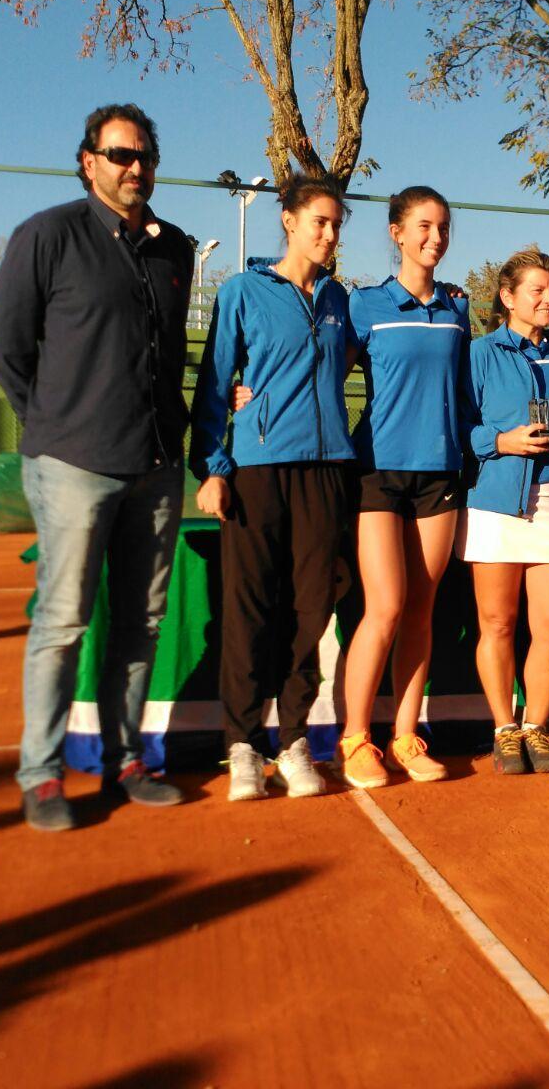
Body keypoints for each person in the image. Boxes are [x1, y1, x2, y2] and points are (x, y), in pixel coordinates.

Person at [0, 103, 192, 831]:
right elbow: (8, 347)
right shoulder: (47, 235)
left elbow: (166, 359)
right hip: (72, 462)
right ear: (88, 160)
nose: (134, 168)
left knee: (141, 622)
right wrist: (54, 425)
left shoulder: (177, 250)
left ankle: (126, 758)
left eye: (144, 157)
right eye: (119, 155)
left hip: (158, 465)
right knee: (64, 621)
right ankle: (41, 775)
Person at [190, 176, 355, 802]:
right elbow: (214, 383)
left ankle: (291, 741)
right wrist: (213, 465)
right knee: (250, 608)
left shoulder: (341, 300)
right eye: (319, 221)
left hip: (327, 469)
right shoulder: (243, 291)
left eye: (337, 224)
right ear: (287, 221)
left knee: (310, 611)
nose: (329, 234)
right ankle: (241, 744)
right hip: (258, 470)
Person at [337, 186, 472, 789]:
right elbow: (319, 370)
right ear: (396, 232)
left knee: (421, 610)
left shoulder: (458, 309)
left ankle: (405, 735)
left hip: (440, 474)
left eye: (442, 227)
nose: (434, 238)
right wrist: (252, 394)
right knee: (385, 606)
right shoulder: (365, 306)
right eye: (423, 226)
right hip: (378, 474)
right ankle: (355, 738)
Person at [459, 249, 549, 774]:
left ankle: (536, 727)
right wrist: (501, 441)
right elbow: (460, 428)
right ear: (507, 297)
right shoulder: (480, 353)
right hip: (497, 503)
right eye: (536, 290)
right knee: (498, 623)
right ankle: (504, 730)